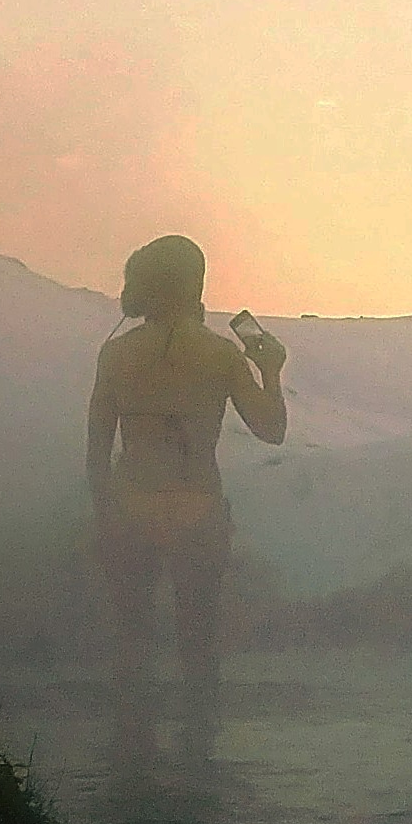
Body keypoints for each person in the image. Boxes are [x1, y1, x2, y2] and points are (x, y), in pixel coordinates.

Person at [87, 234, 287, 764]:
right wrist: (270, 369)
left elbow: (96, 449)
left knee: (133, 644)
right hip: (197, 507)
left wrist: (104, 518)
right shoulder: (220, 353)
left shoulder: (116, 353)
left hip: (131, 507)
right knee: (198, 644)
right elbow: (271, 430)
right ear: (193, 285)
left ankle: (131, 769)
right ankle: (199, 768)